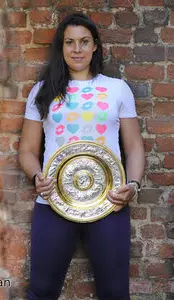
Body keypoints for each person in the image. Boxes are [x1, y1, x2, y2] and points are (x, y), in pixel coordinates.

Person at [18, 13, 145, 300]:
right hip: (53, 201)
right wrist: (36, 177)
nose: (77, 49)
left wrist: (133, 186)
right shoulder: (42, 91)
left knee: (114, 293)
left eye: (84, 42)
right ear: (61, 48)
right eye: (70, 42)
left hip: (110, 202)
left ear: (95, 46)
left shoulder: (117, 89)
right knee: (41, 292)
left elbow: (135, 146)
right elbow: (26, 150)